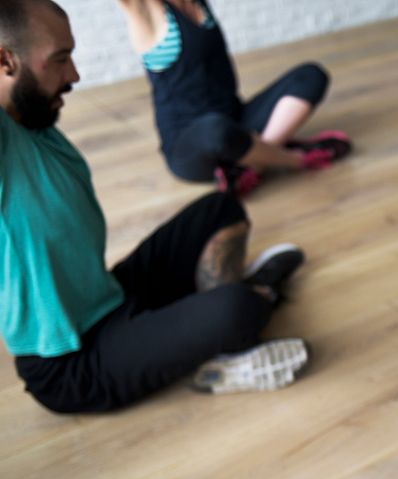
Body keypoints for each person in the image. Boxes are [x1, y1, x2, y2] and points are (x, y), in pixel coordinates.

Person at [1, 0, 310, 413]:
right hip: (71, 364)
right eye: (60, 60)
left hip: (112, 298)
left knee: (221, 208)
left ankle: (225, 304)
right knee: (236, 310)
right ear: (5, 60)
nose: (74, 74)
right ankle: (236, 331)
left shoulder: (32, 124)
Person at [115, 0, 351, 196]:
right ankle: (294, 160)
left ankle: (252, 164)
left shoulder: (197, 3)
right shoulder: (145, 10)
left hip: (237, 120)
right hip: (190, 146)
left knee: (311, 75)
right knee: (216, 129)